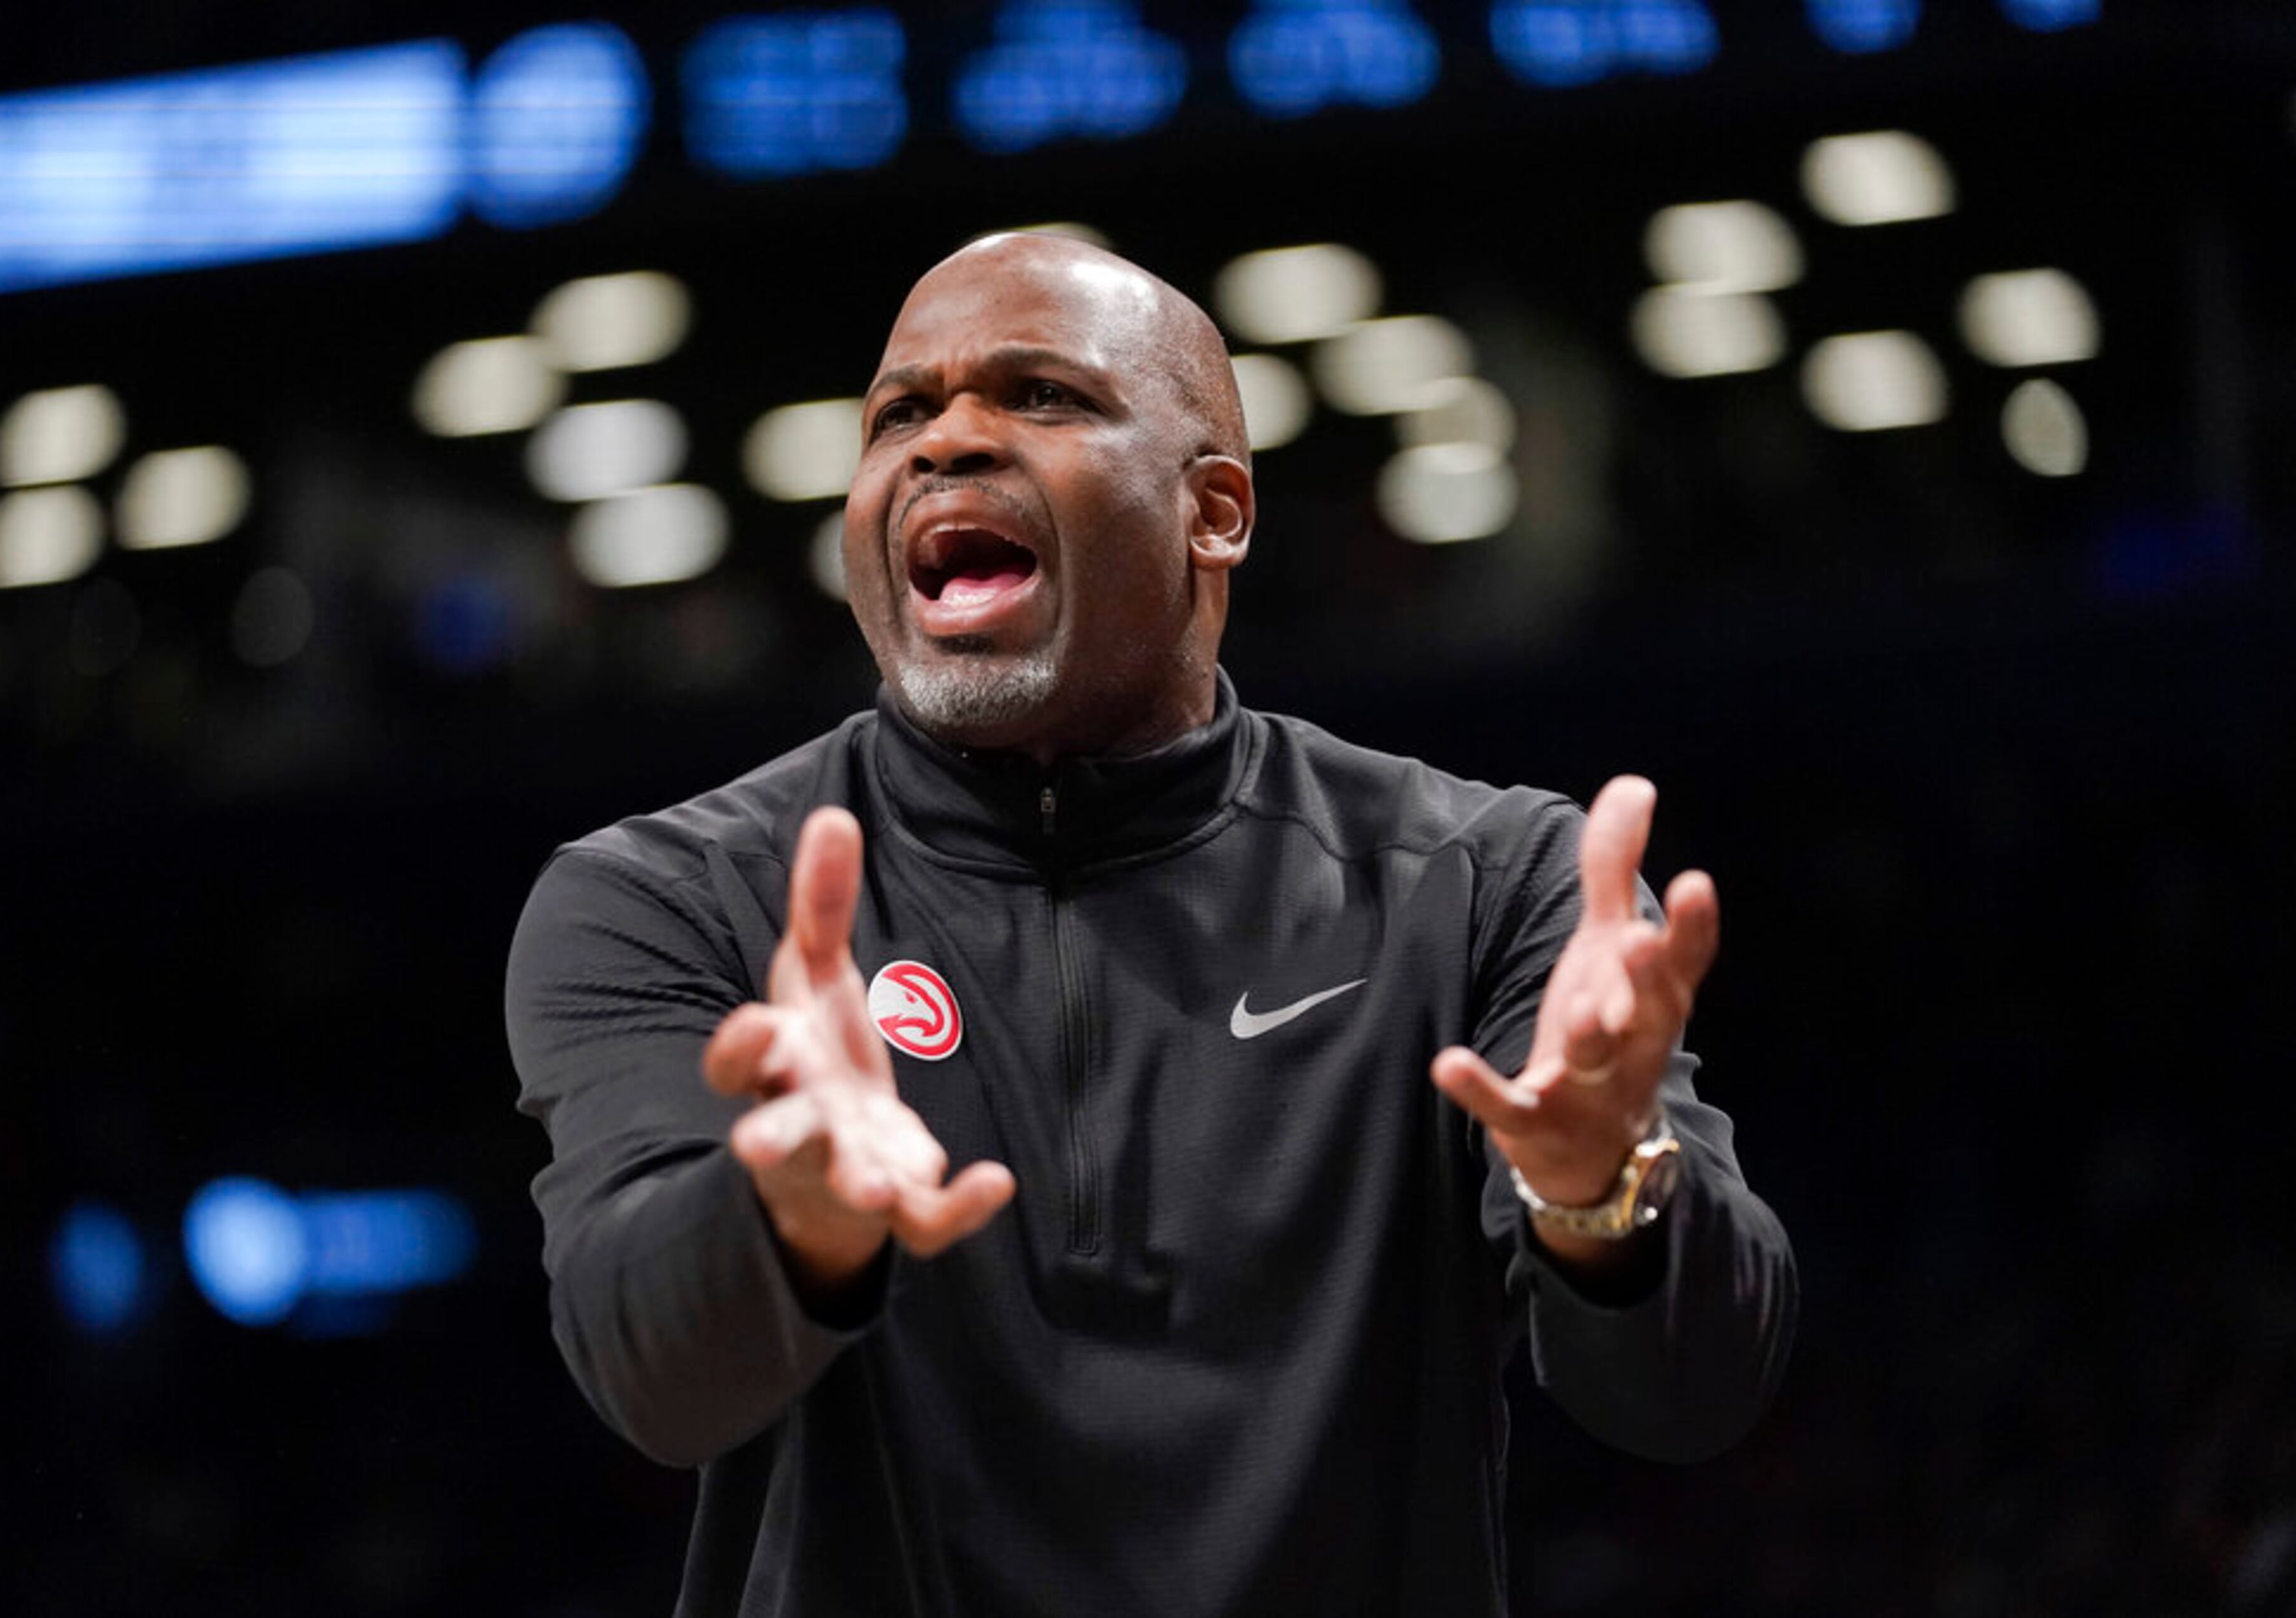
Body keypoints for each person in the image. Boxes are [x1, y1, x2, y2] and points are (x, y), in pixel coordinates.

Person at [505, 232, 1797, 1616]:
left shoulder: (1485, 880)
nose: (947, 442)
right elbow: (649, 1378)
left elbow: (1690, 1392)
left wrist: (1604, 1188)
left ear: (1215, 513)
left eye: (1041, 396)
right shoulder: (676, 897)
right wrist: (787, 1217)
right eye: (900, 413)